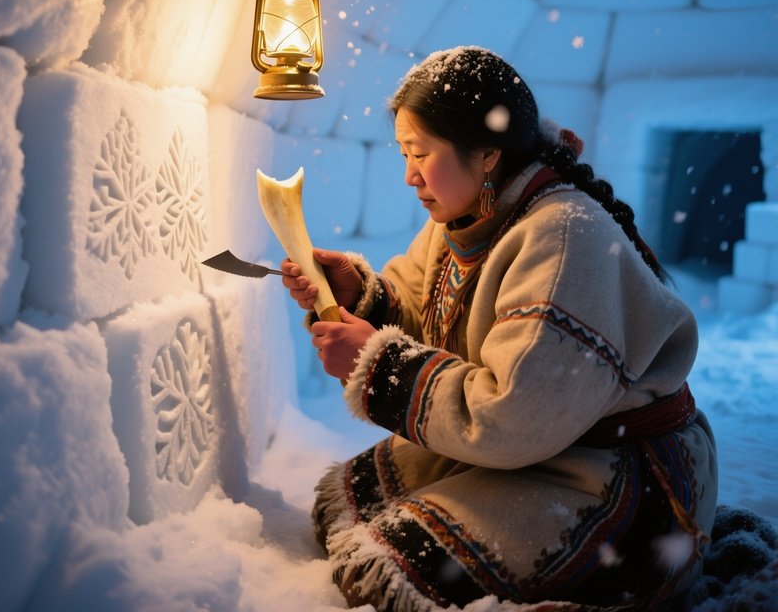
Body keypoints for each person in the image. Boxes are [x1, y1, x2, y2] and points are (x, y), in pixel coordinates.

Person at [281, 46, 718, 611]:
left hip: (614, 473)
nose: (409, 175)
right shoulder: (466, 212)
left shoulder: (563, 237)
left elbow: (518, 414)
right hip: (541, 447)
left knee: (399, 565)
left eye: (421, 153)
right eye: (402, 152)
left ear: (487, 154)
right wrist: (362, 300)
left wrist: (382, 366)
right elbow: (423, 306)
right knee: (350, 503)